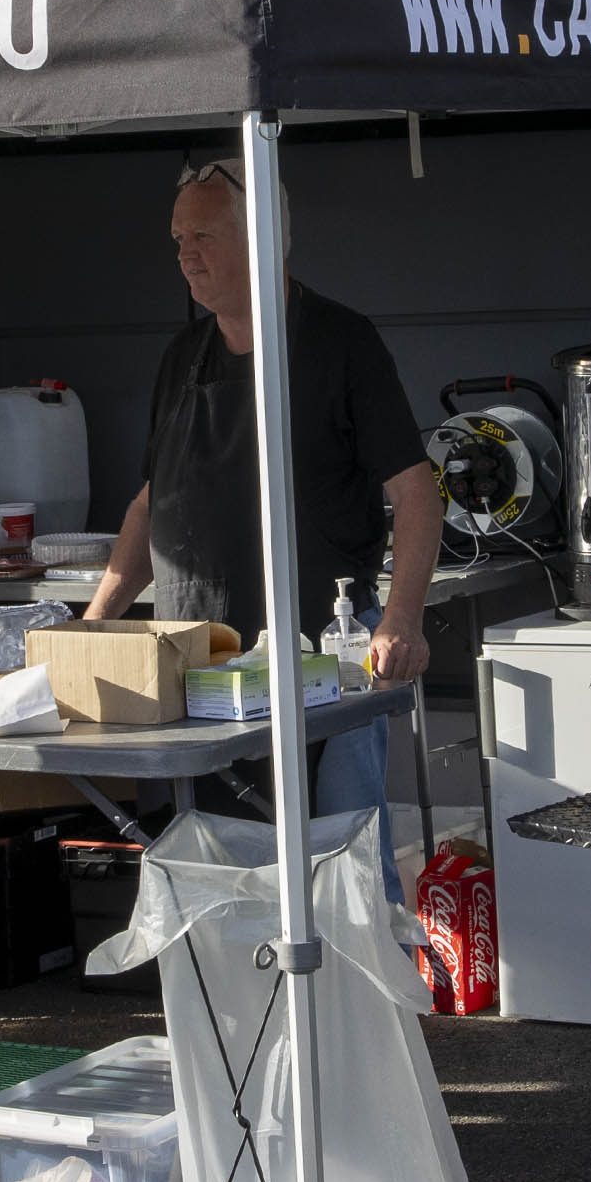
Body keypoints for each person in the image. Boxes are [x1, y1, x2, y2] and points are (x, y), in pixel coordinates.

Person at [84, 158, 438, 852]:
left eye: (205, 236)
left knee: (345, 873)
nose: (185, 254)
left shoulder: (343, 342)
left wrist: (400, 621)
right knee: (224, 870)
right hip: (197, 674)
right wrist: (92, 626)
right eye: (178, 238)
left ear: (265, 236)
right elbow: (149, 506)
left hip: (324, 668)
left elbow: (416, 491)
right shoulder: (181, 357)